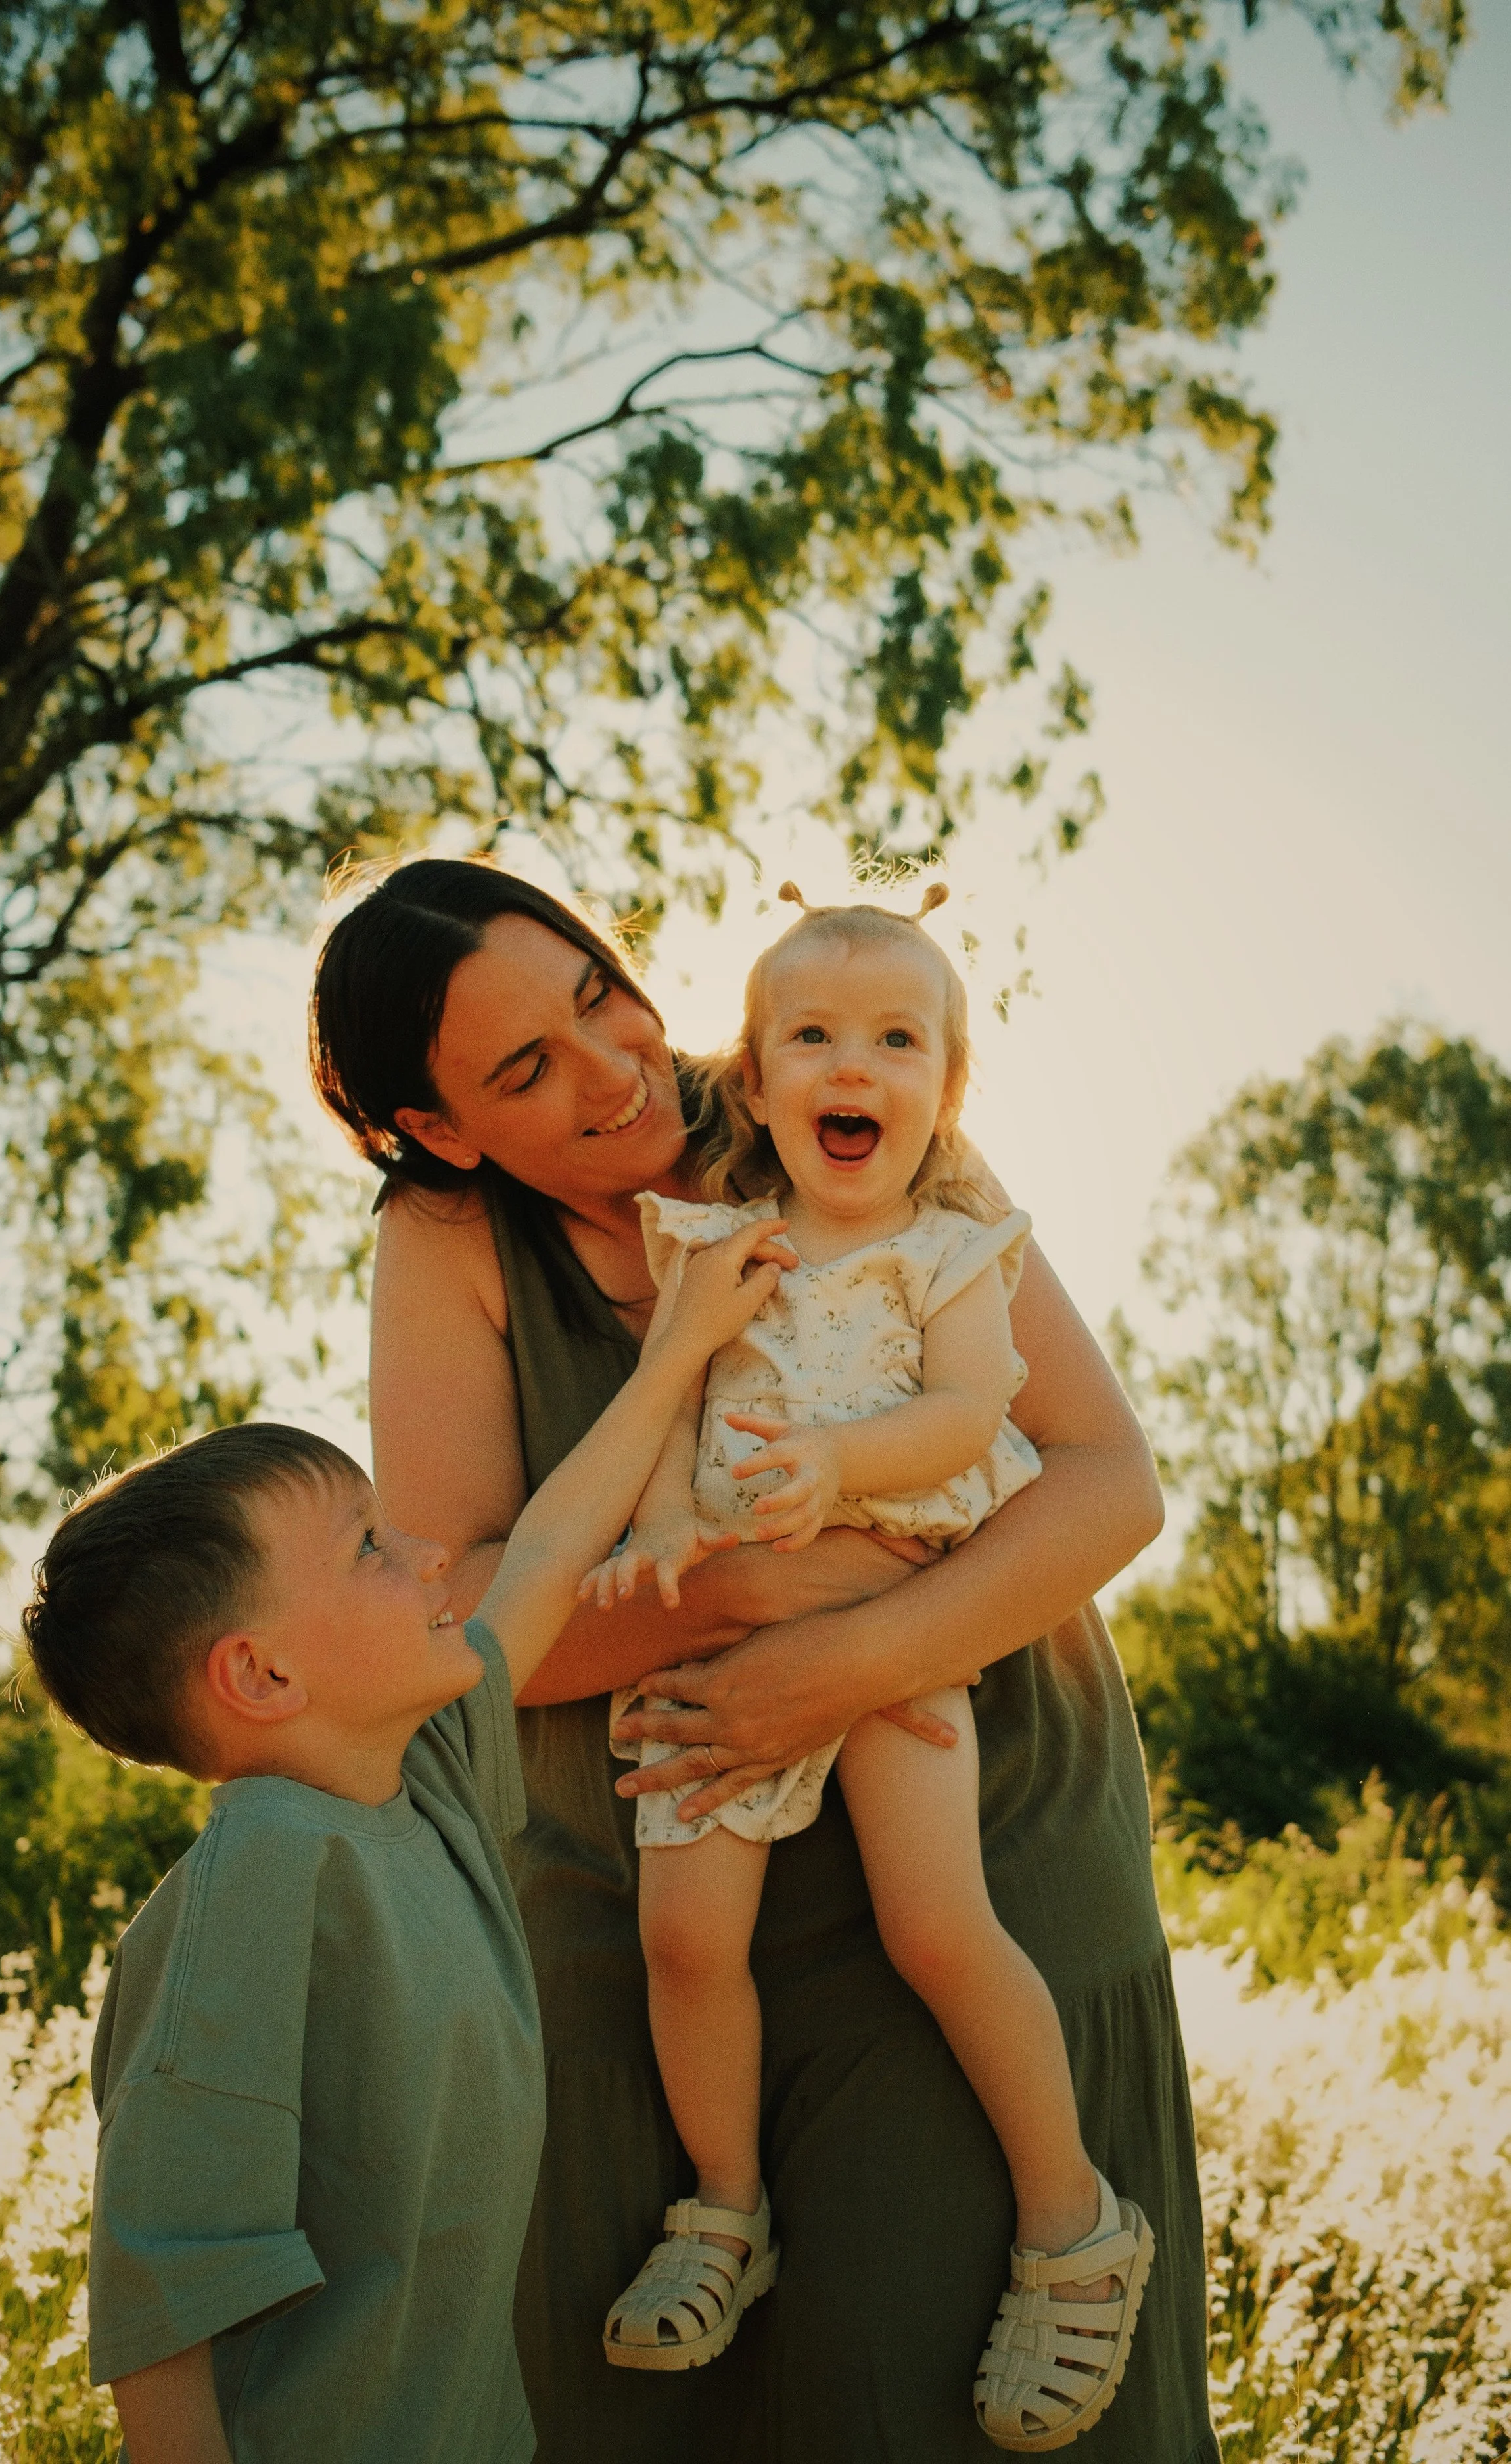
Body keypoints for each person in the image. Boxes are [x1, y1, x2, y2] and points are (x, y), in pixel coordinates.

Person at [309, 854, 1219, 2464]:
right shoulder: (448, 1236)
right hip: (655, 1889)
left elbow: (1102, 1482)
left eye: (603, 996)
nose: (614, 1073)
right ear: (443, 1128)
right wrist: (759, 1598)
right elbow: (464, 1633)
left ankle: (1069, 2229)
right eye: (524, 1068)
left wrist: (850, 1657)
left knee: (927, 2398)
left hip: (964, 1832)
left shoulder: (837, 1076)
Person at [19, 1221, 787, 2464]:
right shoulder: (261, 1876)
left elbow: (541, 1552)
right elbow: (163, 2314)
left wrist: (680, 1351)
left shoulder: (418, 1780)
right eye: (370, 1548)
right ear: (262, 1671)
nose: (431, 1553)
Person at [582, 881, 1151, 2450]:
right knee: (686, 1938)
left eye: (897, 1040)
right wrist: (648, 1535)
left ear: (945, 1092)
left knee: (935, 1925)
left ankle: (1074, 2228)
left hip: (901, 1634)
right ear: (754, 1087)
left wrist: (835, 1463)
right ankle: (723, 2209)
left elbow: (974, 1419)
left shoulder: (954, 1254)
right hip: (730, 1643)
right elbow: (669, 1412)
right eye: (813, 1038)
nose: (856, 1066)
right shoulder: (713, 1248)